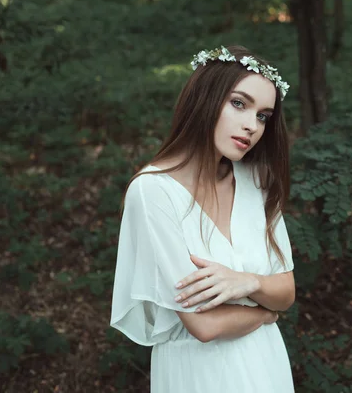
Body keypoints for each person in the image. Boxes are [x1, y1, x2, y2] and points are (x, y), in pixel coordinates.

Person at [109, 45, 295, 392]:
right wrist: (266, 314)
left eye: (263, 116)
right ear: (205, 99)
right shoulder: (153, 192)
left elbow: (286, 292)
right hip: (198, 372)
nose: (251, 125)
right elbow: (204, 325)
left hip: (266, 361)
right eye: (239, 104)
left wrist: (250, 282)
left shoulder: (256, 181)